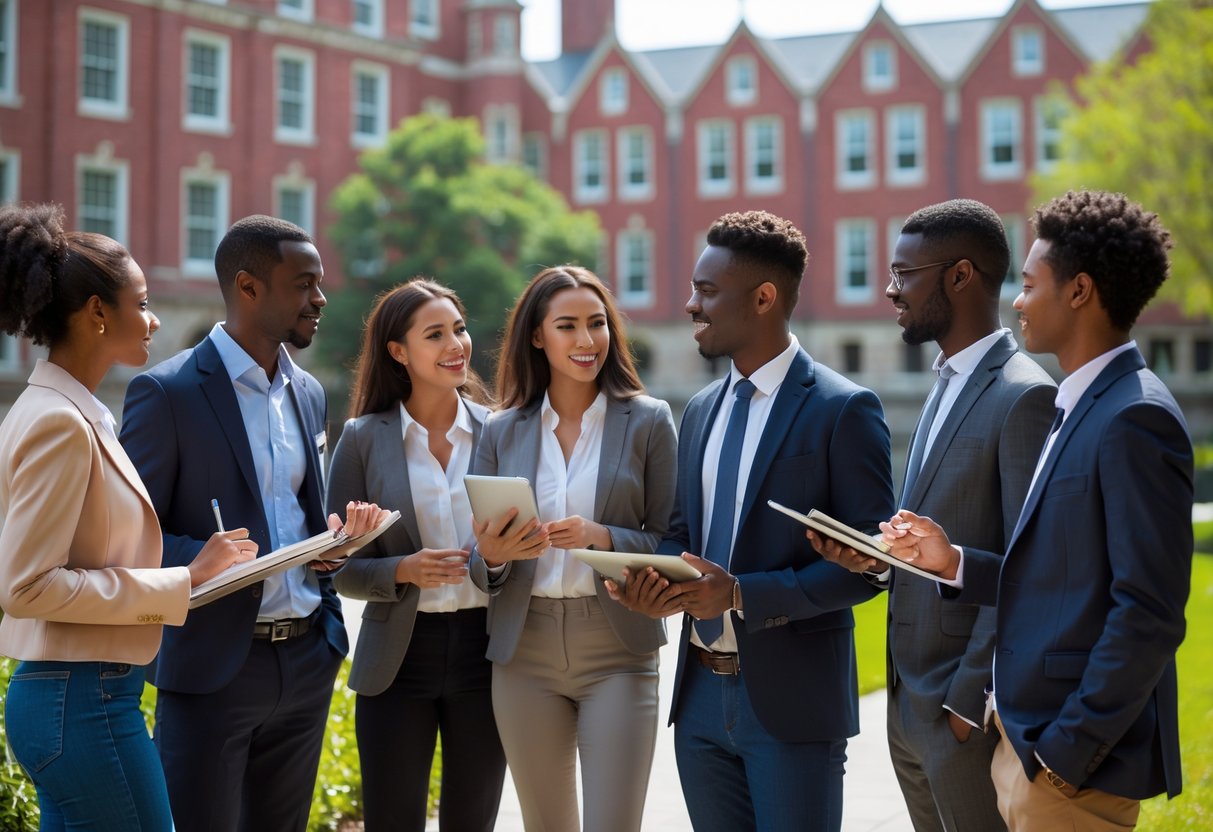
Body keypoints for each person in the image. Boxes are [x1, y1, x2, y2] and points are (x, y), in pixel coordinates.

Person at [881, 190, 1192, 831]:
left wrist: (1063, 754)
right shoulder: (1081, 404)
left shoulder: (1135, 416)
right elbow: (1062, 577)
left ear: (1078, 292)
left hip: (1066, 769)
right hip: (1031, 754)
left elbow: (1150, 614)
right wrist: (956, 561)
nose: (1017, 301)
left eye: (1028, 284)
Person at [608, 210, 895, 831]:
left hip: (792, 706)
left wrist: (739, 594)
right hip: (700, 699)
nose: (690, 305)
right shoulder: (702, 409)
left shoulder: (843, 410)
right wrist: (658, 586)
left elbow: (874, 570)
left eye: (706, 291)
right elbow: (684, 535)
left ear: (764, 297)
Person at [0, 204, 256, 830]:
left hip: (80, 695)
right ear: (96, 314)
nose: (154, 317)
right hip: (79, 700)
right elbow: (26, 584)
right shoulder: (61, 422)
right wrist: (186, 579)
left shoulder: (73, 413)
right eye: (141, 303)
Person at [119, 215, 378, 831]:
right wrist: (202, 556)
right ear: (248, 287)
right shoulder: (166, 392)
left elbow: (299, 517)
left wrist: (336, 545)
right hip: (213, 670)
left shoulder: (309, 392)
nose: (320, 299)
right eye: (304, 283)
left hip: (309, 660)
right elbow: (128, 537)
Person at [808, 199, 1056, 831]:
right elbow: (940, 538)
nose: (890, 290)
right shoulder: (943, 382)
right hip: (907, 705)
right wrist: (878, 557)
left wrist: (968, 702)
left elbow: (1032, 569)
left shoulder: (1025, 394)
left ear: (961, 276)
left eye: (904, 273)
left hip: (959, 711)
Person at [468, 265, 677, 832]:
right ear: (538, 336)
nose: (587, 341)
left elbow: (670, 539)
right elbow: (477, 563)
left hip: (617, 648)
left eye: (597, 323)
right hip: (523, 651)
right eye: (568, 326)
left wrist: (600, 536)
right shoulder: (500, 428)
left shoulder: (649, 420)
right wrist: (492, 553)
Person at [325, 279, 506, 831]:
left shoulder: (501, 432)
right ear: (398, 352)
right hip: (397, 660)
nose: (457, 344)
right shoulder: (361, 439)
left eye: (459, 328)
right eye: (436, 334)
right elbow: (335, 566)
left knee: (472, 820)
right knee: (393, 819)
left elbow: (525, 546)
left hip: (488, 651)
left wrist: (494, 560)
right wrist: (402, 570)